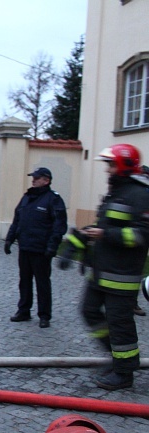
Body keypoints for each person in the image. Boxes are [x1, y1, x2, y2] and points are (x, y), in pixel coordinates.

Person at [61, 144, 149, 390]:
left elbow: (143, 236)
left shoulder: (141, 195)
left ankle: (124, 373)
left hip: (122, 276)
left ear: (123, 165)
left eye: (110, 164)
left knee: (120, 323)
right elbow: (98, 227)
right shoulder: (116, 194)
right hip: (100, 272)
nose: (107, 170)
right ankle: (116, 357)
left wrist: (107, 234)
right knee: (89, 312)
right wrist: (74, 244)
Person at [4, 167, 67, 328]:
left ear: (46, 180)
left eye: (37, 177)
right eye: (33, 177)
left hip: (42, 249)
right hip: (25, 247)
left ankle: (44, 315)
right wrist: (9, 239)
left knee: (42, 283)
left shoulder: (53, 199)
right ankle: (23, 310)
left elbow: (59, 226)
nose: (33, 179)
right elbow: (17, 219)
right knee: (24, 281)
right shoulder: (27, 197)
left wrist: (53, 247)